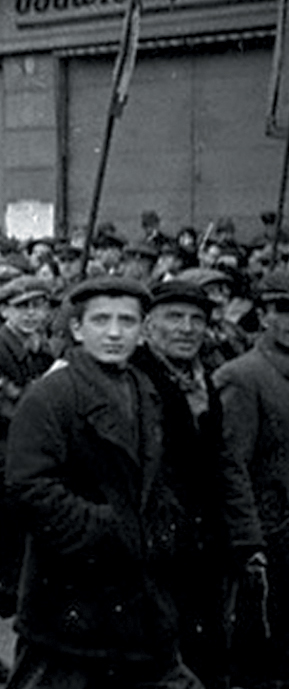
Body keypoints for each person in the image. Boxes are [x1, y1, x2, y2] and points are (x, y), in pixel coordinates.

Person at [6, 276, 203, 689]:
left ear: (142, 330)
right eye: (101, 320)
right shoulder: (51, 396)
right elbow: (30, 487)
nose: (114, 333)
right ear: (77, 329)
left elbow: (162, 476)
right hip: (68, 597)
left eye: (127, 321)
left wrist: (162, 529)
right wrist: (111, 528)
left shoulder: (146, 391)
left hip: (138, 599)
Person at [132, 279, 259, 689]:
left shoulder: (206, 383)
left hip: (206, 546)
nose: (186, 329)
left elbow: (226, 465)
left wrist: (247, 539)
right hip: (153, 548)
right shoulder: (135, 379)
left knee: (205, 653)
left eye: (196, 320)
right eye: (174, 317)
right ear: (149, 325)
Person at [0, 274, 56, 680]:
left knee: (25, 560)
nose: (33, 315)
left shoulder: (41, 351)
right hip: (1, 466)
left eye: (39, 306)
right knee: (3, 562)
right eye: (23, 307)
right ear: (4, 310)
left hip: (32, 464)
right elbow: (1, 410)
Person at [214, 271, 289, 689]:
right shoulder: (243, 377)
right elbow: (230, 465)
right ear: (263, 316)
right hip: (267, 541)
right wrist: (249, 542)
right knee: (261, 660)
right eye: (283, 310)